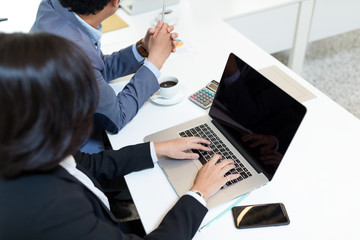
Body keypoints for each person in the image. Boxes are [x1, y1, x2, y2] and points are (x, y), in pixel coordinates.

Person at [0, 33, 240, 240]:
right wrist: (199, 194)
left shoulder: (22, 142)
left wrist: (157, 148)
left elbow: (88, 164)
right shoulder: (55, 209)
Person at [30, 0, 179, 153]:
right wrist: (155, 61)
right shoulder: (75, 52)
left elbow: (96, 69)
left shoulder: (53, 7)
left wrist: (142, 48)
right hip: (68, 152)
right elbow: (117, 118)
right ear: (114, 2)